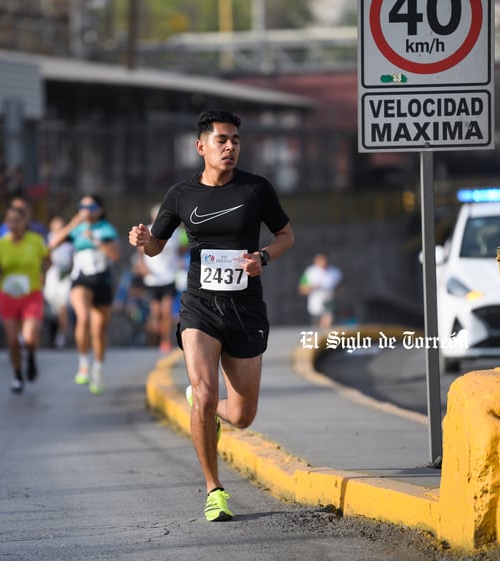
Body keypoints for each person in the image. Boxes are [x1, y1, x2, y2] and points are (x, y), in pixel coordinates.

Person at [128, 109, 294, 521]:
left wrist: (263, 257)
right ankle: (214, 489)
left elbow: (287, 236)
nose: (230, 147)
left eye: (235, 140)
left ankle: (207, 408)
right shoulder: (181, 195)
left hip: (245, 307)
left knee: (241, 415)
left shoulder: (257, 189)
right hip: (200, 306)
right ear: (201, 146)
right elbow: (155, 248)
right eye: (221, 140)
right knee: (203, 392)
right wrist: (144, 240)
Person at [49, 194, 120, 395]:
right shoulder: (77, 228)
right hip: (81, 279)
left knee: (98, 331)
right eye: (82, 206)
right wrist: (73, 223)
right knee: (83, 318)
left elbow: (115, 255)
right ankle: (83, 364)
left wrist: (96, 240)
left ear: (100, 209)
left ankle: (97, 369)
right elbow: (53, 244)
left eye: (91, 206)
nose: (86, 210)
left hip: (102, 280)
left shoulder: (107, 229)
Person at [0, 205, 50, 393]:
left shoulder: (36, 240)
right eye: (10, 221)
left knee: (30, 337)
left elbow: (47, 259)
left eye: (17, 221)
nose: (13, 225)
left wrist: (43, 273)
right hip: (7, 295)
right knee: (13, 340)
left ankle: (30, 357)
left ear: (24, 222)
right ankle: (17, 374)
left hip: (31, 293)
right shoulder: (0, 244)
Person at [135, 204, 187, 352]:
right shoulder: (148, 230)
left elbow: (182, 250)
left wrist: (179, 258)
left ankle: (165, 341)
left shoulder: (177, 233)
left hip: (169, 276)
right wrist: (144, 269)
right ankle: (153, 337)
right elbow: (140, 255)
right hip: (152, 279)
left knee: (166, 310)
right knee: (156, 312)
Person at [44, 216, 75, 349]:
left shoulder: (71, 241)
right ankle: (52, 334)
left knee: (63, 306)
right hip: (53, 275)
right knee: (52, 308)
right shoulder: (49, 239)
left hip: (66, 276)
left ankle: (61, 337)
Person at [298, 253, 343, 330]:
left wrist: (335, 294)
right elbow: (301, 289)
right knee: (316, 329)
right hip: (315, 305)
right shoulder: (310, 272)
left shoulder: (334, 272)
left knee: (328, 320)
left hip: (328, 302)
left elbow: (341, 285)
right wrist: (312, 288)